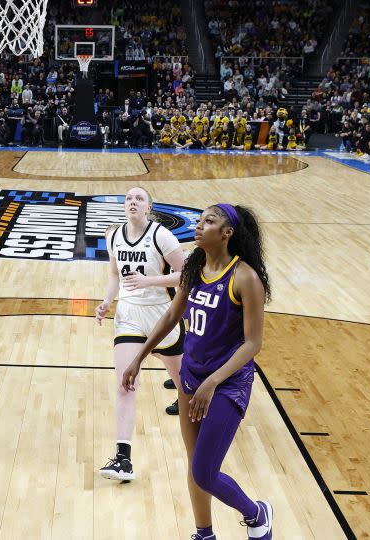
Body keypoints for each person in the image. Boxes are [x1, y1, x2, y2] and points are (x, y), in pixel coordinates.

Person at [122, 203, 273, 540]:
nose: (199, 224)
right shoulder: (194, 268)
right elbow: (171, 317)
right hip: (191, 377)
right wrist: (140, 357)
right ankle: (204, 534)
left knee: (205, 472)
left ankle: (257, 513)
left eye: (209, 221)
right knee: (196, 467)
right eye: (200, 219)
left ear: (227, 233)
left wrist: (213, 382)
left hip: (226, 383)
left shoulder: (245, 277)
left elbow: (253, 344)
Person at [95, 187, 186, 481]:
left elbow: (185, 274)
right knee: (125, 383)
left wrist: (149, 281)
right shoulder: (114, 235)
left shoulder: (162, 235)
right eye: (128, 198)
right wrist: (107, 302)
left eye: (139, 199)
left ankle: (194, 407)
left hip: (162, 315)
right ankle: (123, 459)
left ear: (148, 207)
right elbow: (114, 275)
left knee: (183, 382)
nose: (132, 202)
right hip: (129, 316)